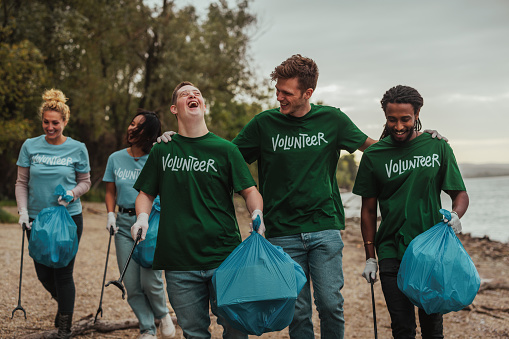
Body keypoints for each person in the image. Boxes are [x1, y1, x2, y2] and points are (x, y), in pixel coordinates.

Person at [157, 55, 445, 338]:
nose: (279, 97)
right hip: (282, 232)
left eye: (286, 93)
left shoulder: (332, 119)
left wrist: (420, 139)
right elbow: (222, 158)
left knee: (331, 305)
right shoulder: (263, 124)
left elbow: (375, 148)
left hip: (324, 228)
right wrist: (180, 138)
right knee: (297, 311)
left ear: (308, 93)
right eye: (277, 91)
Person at [131, 81, 264, 338]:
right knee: (194, 333)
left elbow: (250, 191)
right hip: (179, 263)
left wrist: (257, 213)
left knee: (237, 330)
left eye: (197, 94)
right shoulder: (163, 150)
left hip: (225, 258)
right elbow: (146, 193)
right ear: (174, 108)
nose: (192, 96)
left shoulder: (226, 150)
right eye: (184, 95)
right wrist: (142, 218)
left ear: (203, 105)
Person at [352, 85, 469, 338]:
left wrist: (456, 215)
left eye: (405, 119)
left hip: (430, 250)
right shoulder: (374, 156)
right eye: (391, 119)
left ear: (417, 114)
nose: (398, 126)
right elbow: (368, 211)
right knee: (402, 328)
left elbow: (459, 193)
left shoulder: (437, 147)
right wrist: (370, 256)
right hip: (391, 250)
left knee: (432, 327)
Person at [15, 88, 91, 338]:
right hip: (37, 219)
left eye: (55, 123)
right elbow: (21, 183)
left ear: (64, 122)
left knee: (64, 271)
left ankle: (65, 327)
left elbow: (85, 182)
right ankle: (64, 304)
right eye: (46, 122)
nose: (50, 127)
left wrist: (73, 193)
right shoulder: (30, 146)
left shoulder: (78, 148)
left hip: (67, 218)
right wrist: (23, 212)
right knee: (43, 271)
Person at [102, 110, 176, 339]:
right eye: (131, 123)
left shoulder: (158, 156)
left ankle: (163, 314)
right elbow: (110, 190)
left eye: (139, 127)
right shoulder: (115, 158)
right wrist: (110, 215)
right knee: (131, 284)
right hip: (124, 224)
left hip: (151, 222)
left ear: (150, 134)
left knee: (150, 279)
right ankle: (147, 328)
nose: (131, 129)